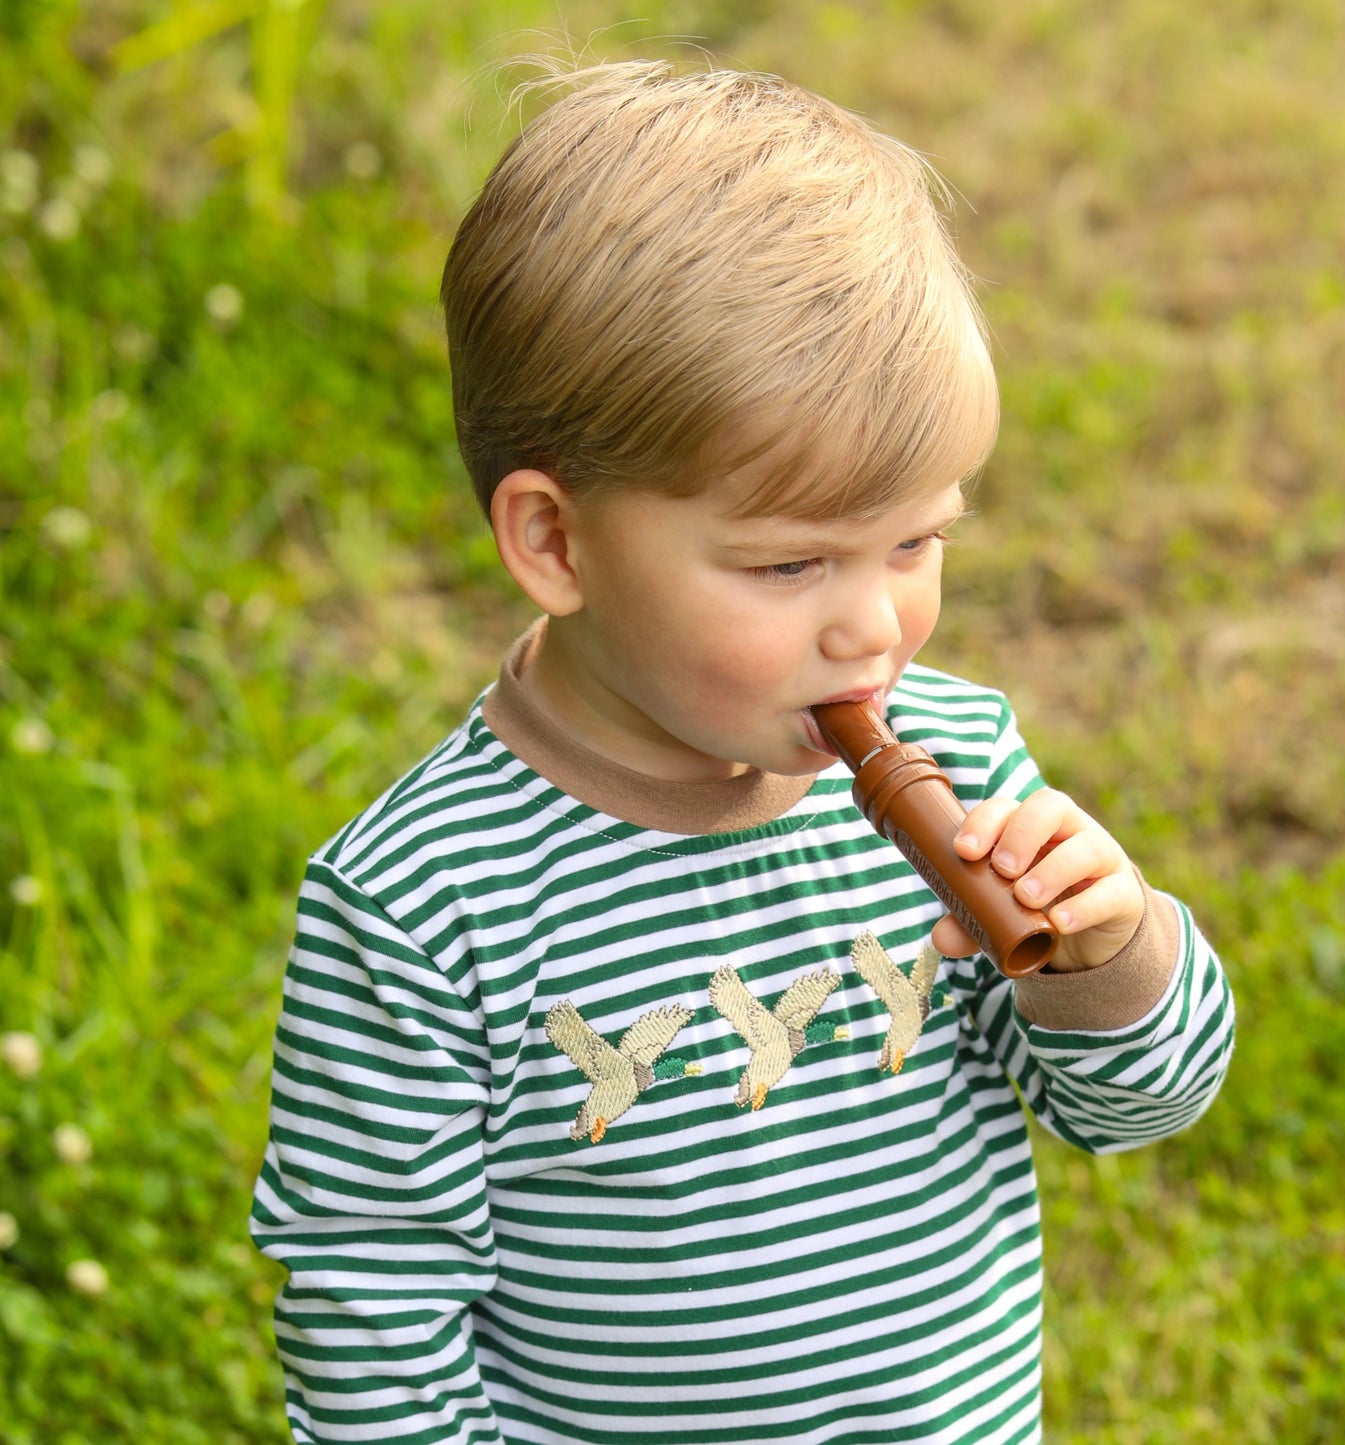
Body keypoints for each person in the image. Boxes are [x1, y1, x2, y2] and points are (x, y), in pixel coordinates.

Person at [250, 59, 1234, 1445]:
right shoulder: (425, 898)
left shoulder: (956, 755)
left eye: (916, 540)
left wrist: (1112, 949)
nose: (873, 625)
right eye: (787, 563)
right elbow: (373, 1303)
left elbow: (1128, 1108)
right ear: (555, 541)